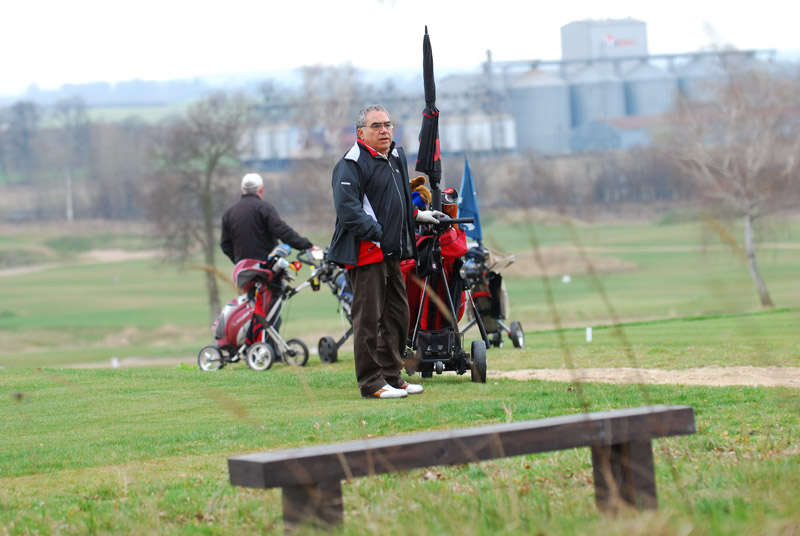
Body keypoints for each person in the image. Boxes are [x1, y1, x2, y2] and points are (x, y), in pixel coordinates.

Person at [326, 104, 444, 399]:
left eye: (388, 125)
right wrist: (380, 235)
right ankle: (372, 383)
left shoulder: (394, 158)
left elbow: (400, 199)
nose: (384, 130)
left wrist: (419, 216)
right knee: (369, 320)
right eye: (376, 126)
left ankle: (393, 375)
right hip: (368, 254)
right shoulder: (351, 163)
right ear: (361, 133)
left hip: (394, 252)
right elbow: (349, 211)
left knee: (397, 316)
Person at [220, 173, 318, 264]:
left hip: (243, 273)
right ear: (261, 190)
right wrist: (307, 246)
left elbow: (225, 245)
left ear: (242, 190)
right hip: (266, 269)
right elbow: (282, 231)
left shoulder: (229, 213)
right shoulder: (264, 209)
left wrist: (240, 262)